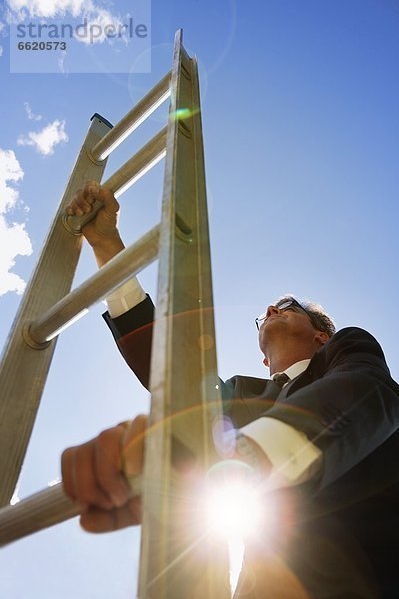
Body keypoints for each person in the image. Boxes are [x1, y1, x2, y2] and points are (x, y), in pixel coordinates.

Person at [62, 182, 399, 598]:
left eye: (289, 305)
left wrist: (249, 455)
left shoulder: (347, 352)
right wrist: (106, 243)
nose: (271, 309)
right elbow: (167, 367)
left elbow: (369, 392)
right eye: (266, 313)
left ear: (321, 337)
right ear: (263, 361)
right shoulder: (241, 397)